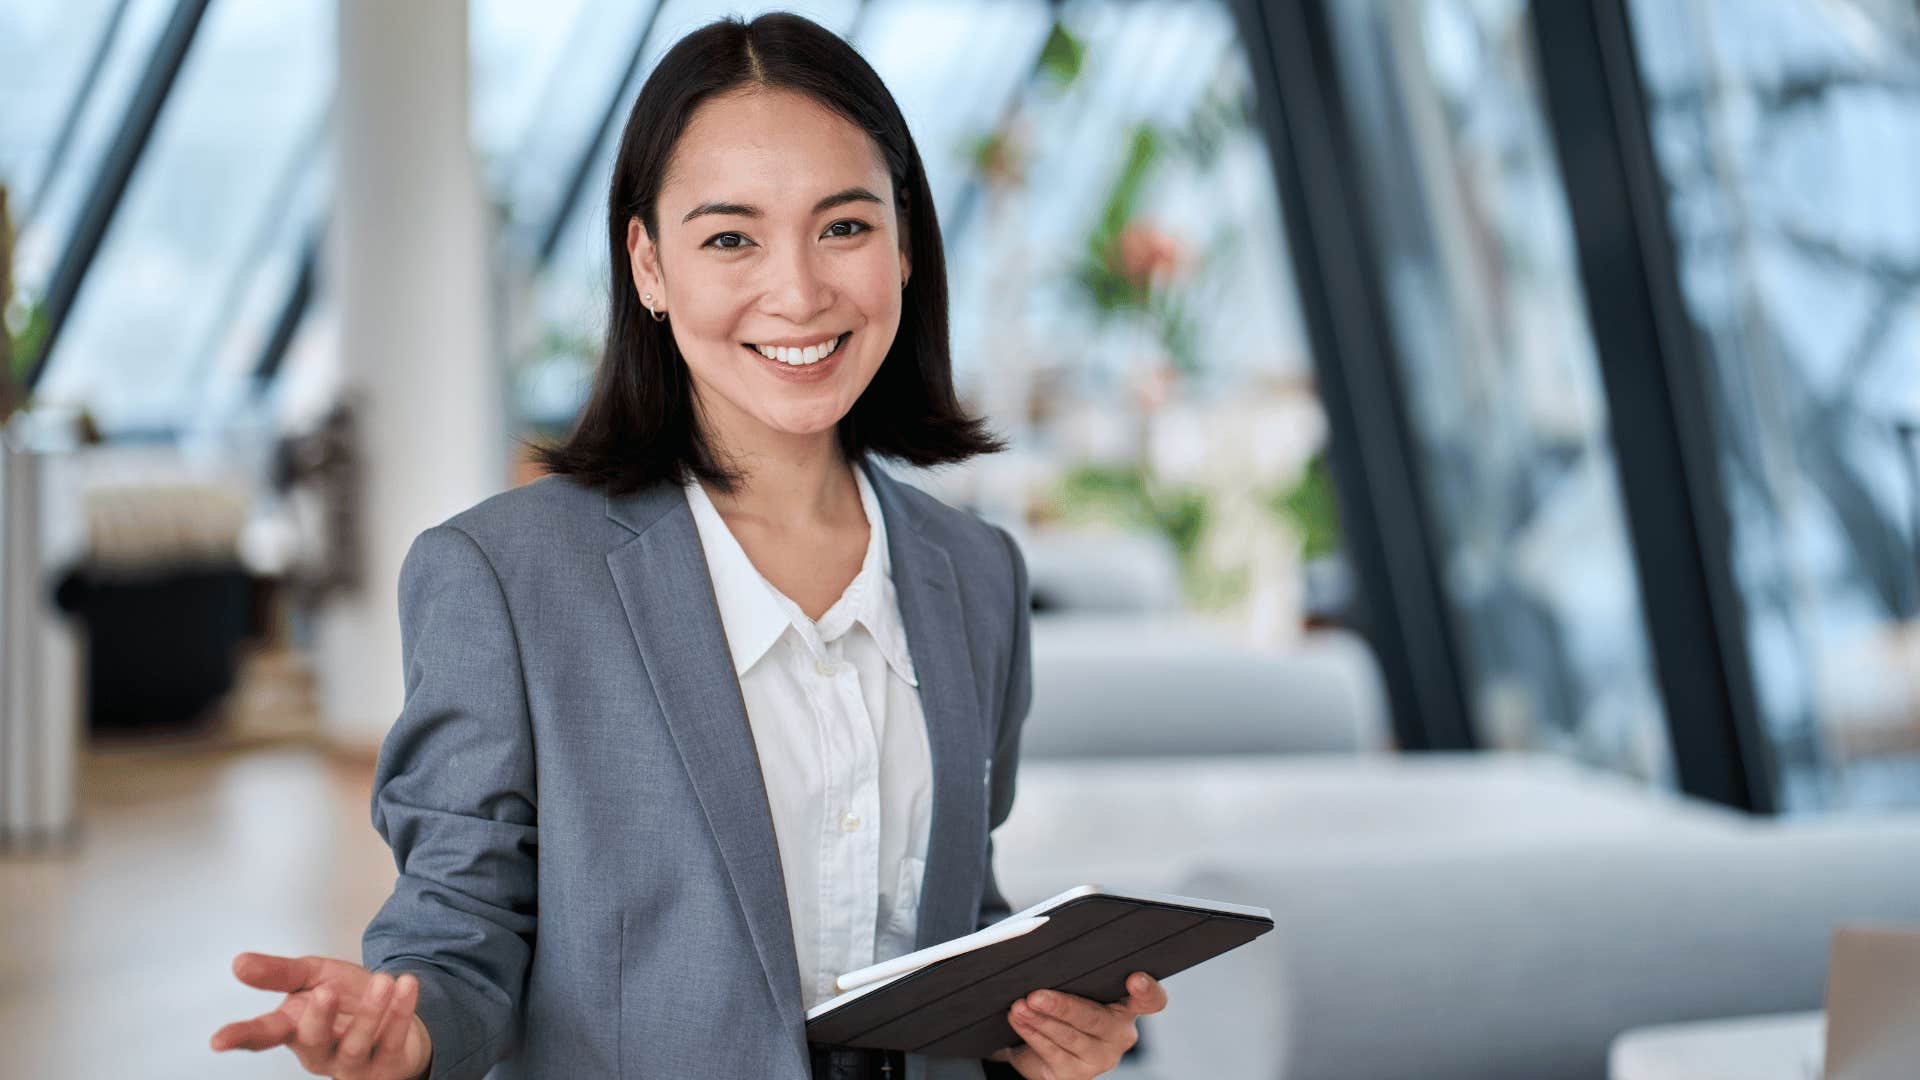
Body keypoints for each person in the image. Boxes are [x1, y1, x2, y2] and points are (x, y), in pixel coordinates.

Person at [209, 11, 1168, 1079]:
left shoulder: (976, 575)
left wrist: (1030, 1034)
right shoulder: (505, 579)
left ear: (905, 242)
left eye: (844, 227)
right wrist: (408, 1029)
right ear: (649, 266)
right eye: (730, 238)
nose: (799, 292)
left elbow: (949, 914)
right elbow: (460, 928)